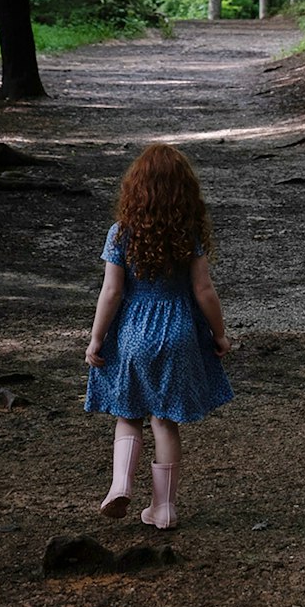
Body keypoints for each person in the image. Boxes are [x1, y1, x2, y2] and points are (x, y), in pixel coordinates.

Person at [84, 141, 232, 530]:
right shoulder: (188, 235)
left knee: (128, 413)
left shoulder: (121, 234)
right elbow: (204, 291)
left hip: (133, 333)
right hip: (179, 332)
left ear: (136, 188)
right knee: (165, 421)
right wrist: (220, 334)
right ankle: (163, 508)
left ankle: (120, 485)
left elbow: (112, 292)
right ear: (184, 191)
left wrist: (96, 338)